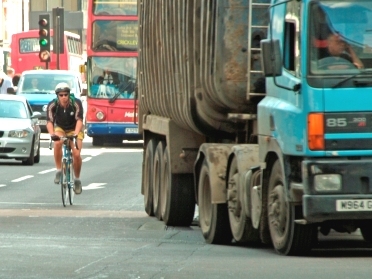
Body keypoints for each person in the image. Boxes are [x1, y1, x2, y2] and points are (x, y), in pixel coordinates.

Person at [46, 82, 85, 194]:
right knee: (57, 143)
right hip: (60, 128)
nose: (64, 97)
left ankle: (77, 180)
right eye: (61, 95)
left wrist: (76, 133)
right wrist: (52, 134)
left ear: (69, 94)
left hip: (74, 129)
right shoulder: (53, 105)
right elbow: (49, 121)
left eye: (66, 94)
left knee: (76, 154)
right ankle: (59, 170)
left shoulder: (76, 103)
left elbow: (79, 120)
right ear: (57, 96)